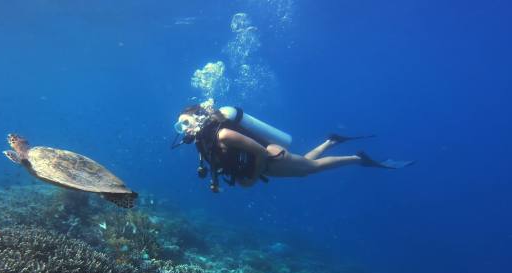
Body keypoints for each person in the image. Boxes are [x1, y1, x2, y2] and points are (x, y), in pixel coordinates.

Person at [172, 99, 413, 192]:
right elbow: (214, 162)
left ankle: (358, 158)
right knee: (306, 166)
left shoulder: (223, 134)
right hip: (265, 164)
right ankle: (332, 141)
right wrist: (214, 182)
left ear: (199, 117)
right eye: (179, 127)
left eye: (184, 123)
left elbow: (259, 151)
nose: (183, 130)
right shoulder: (203, 142)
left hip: (270, 159)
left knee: (311, 168)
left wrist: (250, 181)